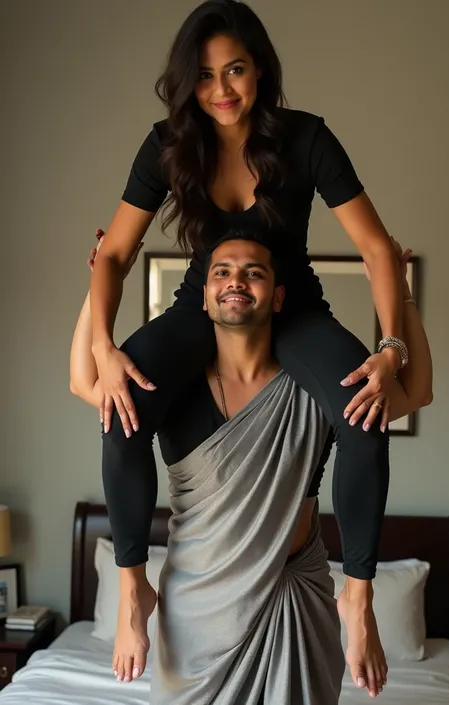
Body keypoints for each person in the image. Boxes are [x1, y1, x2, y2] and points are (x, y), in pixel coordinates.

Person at [87, 0, 418, 689]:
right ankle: (130, 590)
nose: (223, 91)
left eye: (235, 69)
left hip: (289, 304)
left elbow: (378, 249)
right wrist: (103, 345)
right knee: (119, 417)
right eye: (205, 77)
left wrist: (390, 348)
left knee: (365, 412)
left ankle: (357, 596)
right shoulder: (168, 145)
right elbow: (114, 255)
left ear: (260, 69)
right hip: (197, 306)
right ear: (188, 84)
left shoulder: (306, 138)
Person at [70, 229, 433, 702]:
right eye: (221, 271)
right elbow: (85, 382)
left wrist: (401, 295)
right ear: (203, 297)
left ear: (278, 296)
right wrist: (102, 277)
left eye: (253, 272)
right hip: (198, 613)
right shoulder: (172, 389)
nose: (235, 281)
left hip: (295, 601)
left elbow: (417, 391)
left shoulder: (317, 387)